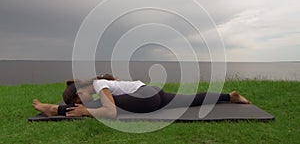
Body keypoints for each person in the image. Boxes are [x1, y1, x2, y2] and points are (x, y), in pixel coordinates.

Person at [32, 74, 250, 119]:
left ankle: (54, 110)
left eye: (80, 102)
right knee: (192, 98)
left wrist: (86, 111)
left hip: (147, 97)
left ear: (80, 93)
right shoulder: (103, 85)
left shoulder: (99, 86)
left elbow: (111, 112)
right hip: (154, 93)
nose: (85, 103)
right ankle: (230, 96)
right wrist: (87, 109)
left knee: (104, 106)